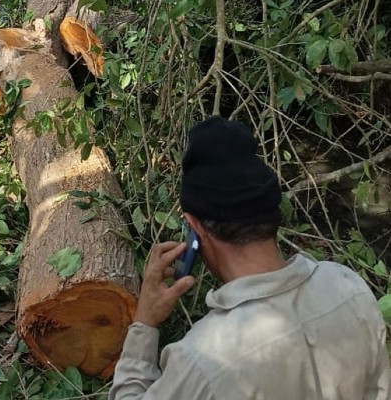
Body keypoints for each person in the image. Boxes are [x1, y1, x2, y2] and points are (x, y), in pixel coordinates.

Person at [109, 116, 391, 400]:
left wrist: (144, 322)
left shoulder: (203, 360)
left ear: (195, 229)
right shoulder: (348, 286)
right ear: (272, 213)